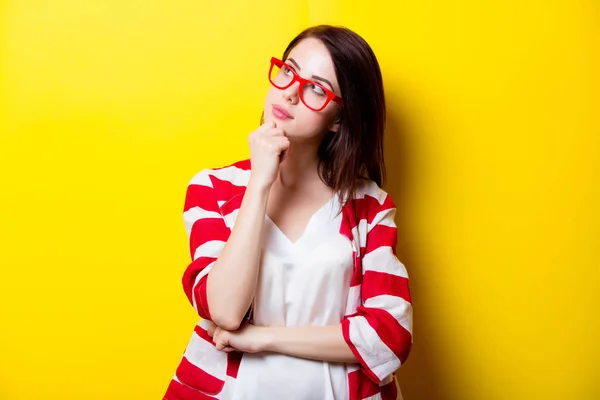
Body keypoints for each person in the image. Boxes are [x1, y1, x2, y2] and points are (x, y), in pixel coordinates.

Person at [163, 25, 413, 400]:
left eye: (316, 88)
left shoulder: (369, 206)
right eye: (288, 71)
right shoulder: (212, 188)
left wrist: (264, 338)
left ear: (338, 119)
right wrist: (260, 183)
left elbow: (388, 333)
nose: (291, 92)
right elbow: (225, 311)